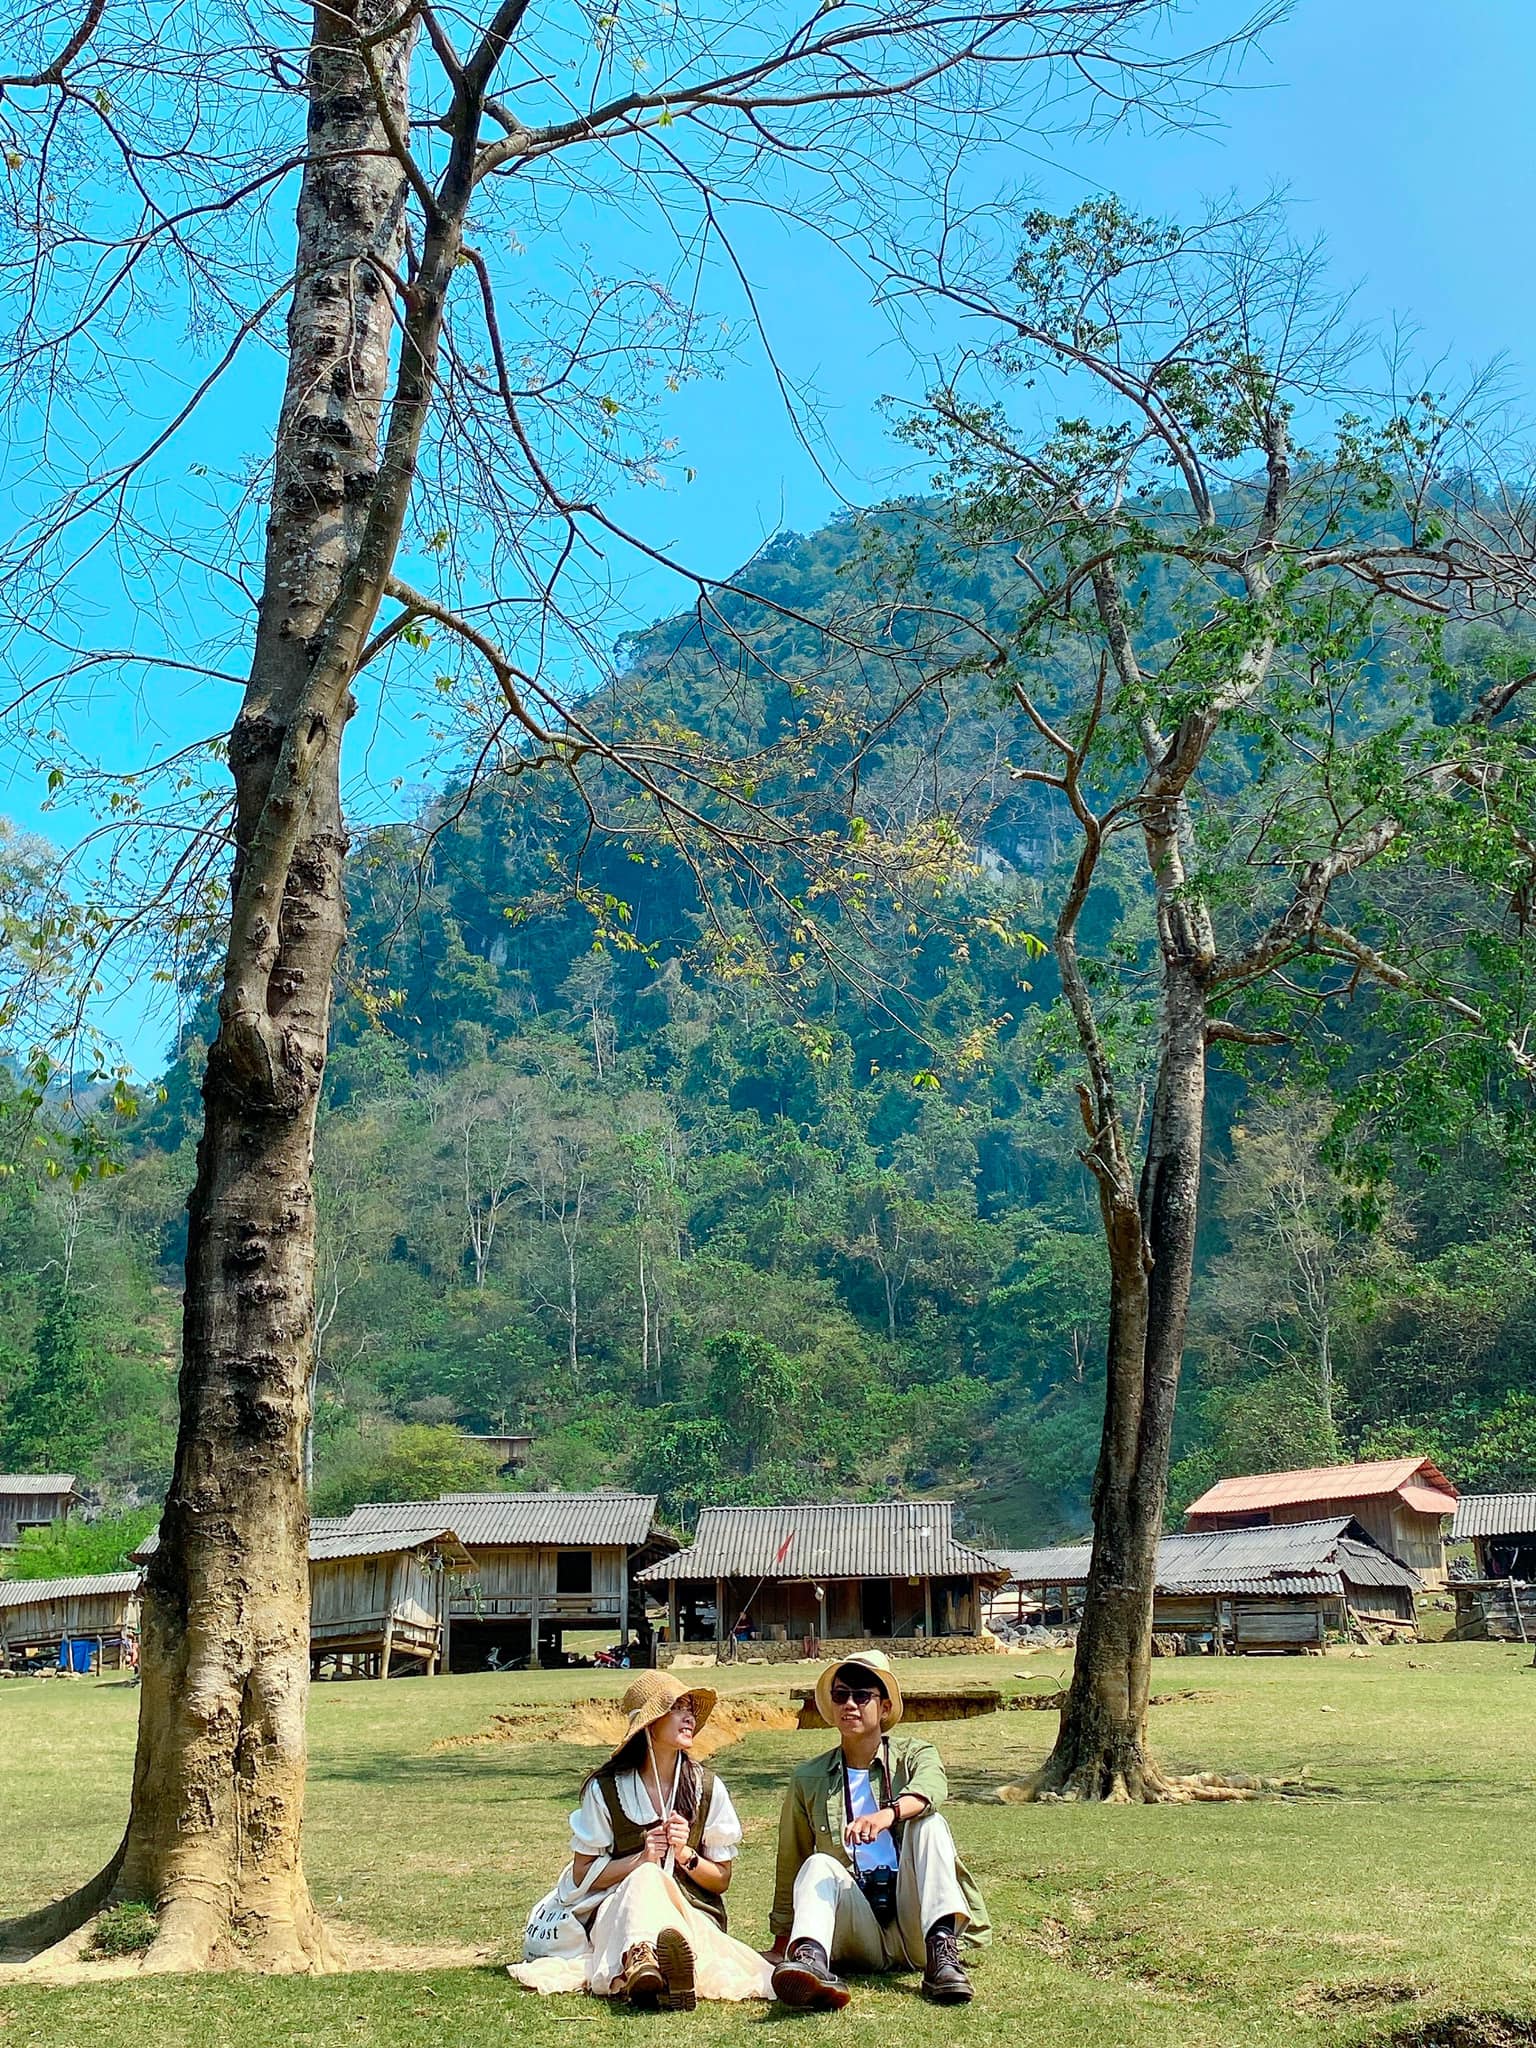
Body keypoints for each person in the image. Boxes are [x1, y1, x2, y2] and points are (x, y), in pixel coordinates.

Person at [509, 1670, 774, 2007]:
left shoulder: (706, 1789)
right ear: (650, 1723)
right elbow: (581, 1874)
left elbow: (721, 1880)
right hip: (618, 1914)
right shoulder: (606, 1790)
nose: (689, 1715)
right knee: (646, 1876)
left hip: (689, 1912)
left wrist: (685, 1855)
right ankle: (648, 1962)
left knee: (659, 1891)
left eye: (690, 1707)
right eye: (676, 1707)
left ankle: (650, 1966)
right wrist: (640, 1860)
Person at [767, 1650, 990, 2010]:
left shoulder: (915, 1754)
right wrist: (782, 1941)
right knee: (817, 1864)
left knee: (930, 1823)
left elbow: (933, 1787)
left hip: (913, 1921)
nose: (850, 1704)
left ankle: (942, 1956)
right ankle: (810, 1961)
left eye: (862, 1695)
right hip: (858, 1929)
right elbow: (791, 1859)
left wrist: (888, 1815)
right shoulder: (807, 1778)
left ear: (884, 1708)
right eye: (841, 1695)